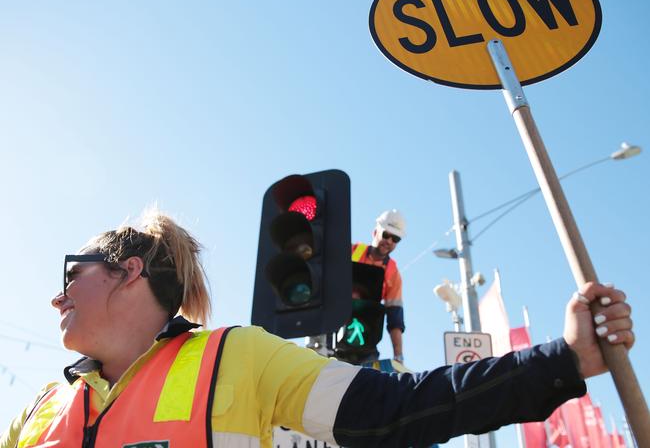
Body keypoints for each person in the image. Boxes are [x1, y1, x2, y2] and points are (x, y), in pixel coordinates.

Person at [1, 209, 635, 448]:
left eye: (72, 274)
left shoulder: (237, 358)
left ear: (126, 271)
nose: (57, 297)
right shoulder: (35, 412)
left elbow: (403, 410)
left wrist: (566, 359)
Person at [351, 209, 406, 363]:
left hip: (365, 332)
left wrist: (398, 356)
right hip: (337, 321)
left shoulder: (392, 272)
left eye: (395, 238)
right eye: (386, 235)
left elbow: (395, 316)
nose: (389, 241)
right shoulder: (352, 251)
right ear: (375, 232)